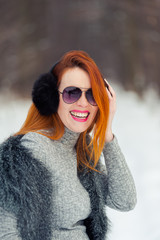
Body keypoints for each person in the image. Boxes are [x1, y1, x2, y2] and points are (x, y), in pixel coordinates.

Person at [0, 50, 137, 240]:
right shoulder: (33, 148)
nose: (83, 103)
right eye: (72, 93)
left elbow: (125, 201)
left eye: (92, 95)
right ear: (51, 98)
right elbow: (6, 232)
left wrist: (106, 135)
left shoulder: (82, 150)